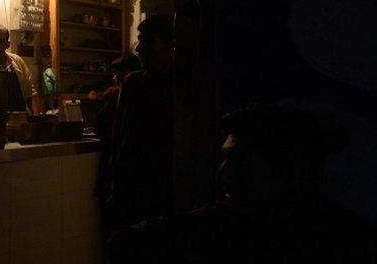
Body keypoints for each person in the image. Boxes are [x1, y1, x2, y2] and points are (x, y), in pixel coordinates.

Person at [107, 103, 377, 263]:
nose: (222, 175)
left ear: (286, 169)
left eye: (239, 162)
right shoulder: (349, 232)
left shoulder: (345, 240)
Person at [95, 15, 175, 240]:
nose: (139, 48)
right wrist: (115, 185)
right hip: (133, 188)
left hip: (161, 188)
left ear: (166, 44)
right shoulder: (132, 84)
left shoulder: (182, 86)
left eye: (145, 40)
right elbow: (120, 141)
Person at [0, 24, 39, 114]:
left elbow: (31, 94)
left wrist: (35, 119)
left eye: (0, 42)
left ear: (7, 44)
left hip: (21, 119)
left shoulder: (18, 61)